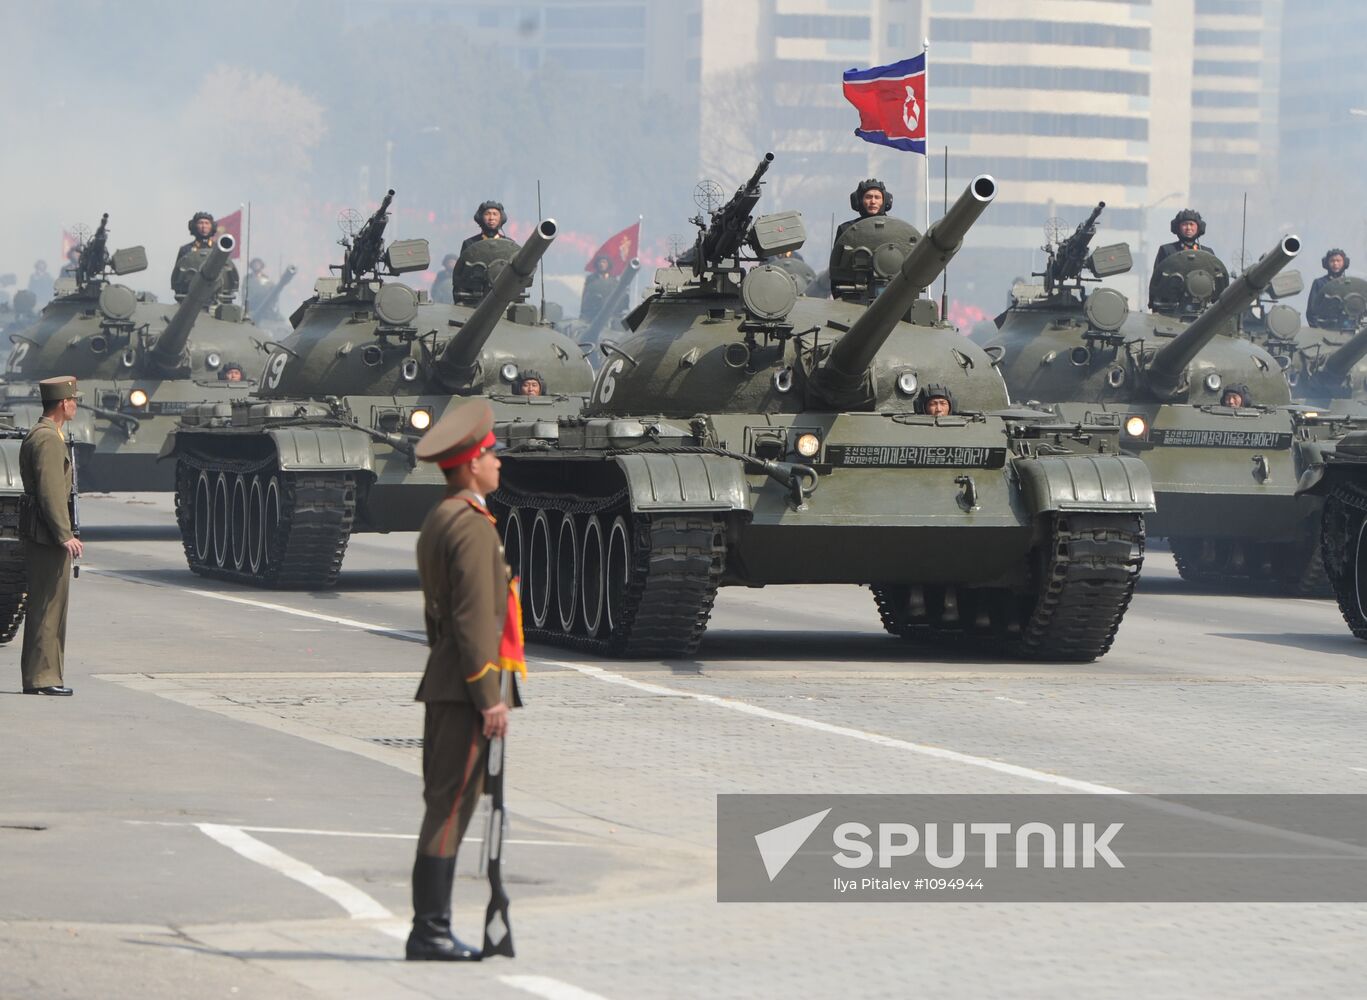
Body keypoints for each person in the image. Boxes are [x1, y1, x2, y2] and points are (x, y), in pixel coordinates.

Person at [407, 397, 523, 962]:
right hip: (464, 688)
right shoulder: (473, 527)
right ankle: (429, 931)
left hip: (445, 679)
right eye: (492, 454)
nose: (499, 462)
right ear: (472, 463)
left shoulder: (442, 517)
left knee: (446, 802)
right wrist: (489, 696)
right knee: (449, 807)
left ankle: (432, 927)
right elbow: (475, 618)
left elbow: (442, 616)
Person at [19, 376, 84, 697]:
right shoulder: (48, 440)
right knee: (48, 607)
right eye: (74, 400)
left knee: (47, 606)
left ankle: (43, 675)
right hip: (47, 535)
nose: (76, 405)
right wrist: (64, 535)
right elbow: (50, 492)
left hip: (43, 532)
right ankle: (43, 677)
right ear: (63, 403)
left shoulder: (45, 434)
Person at [1149, 209, 1213, 310]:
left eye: (1192, 224)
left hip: (1201, 305)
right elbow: (1157, 279)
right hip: (1171, 306)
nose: (1188, 228)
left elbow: (1214, 279)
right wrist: (1153, 302)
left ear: (1198, 227)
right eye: (1185, 224)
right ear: (1178, 227)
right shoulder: (1167, 250)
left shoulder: (1206, 253)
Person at [171, 211, 238, 300]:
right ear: (194, 226)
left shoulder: (219, 249)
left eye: (207, 223)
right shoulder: (186, 250)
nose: (204, 226)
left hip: (216, 295)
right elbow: (178, 275)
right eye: (200, 223)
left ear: (212, 226)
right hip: (189, 295)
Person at [835, 179, 893, 243]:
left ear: (884, 201)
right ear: (859, 200)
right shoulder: (847, 229)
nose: (873, 202)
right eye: (868, 197)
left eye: (877, 197)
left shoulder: (895, 228)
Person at [1306, 248, 1351, 329]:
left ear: (1345, 262)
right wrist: (1317, 329)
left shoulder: (1351, 284)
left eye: (1338, 260)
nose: (1335, 264)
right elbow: (1311, 310)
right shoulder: (1319, 283)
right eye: (1332, 261)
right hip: (1324, 328)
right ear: (1326, 263)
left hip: (1347, 328)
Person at [580, 254, 614, 319]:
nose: (601, 264)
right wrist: (583, 311)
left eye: (604, 262)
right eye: (600, 262)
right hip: (592, 313)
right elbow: (585, 296)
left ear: (608, 264)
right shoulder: (591, 279)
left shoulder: (613, 282)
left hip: (608, 314)